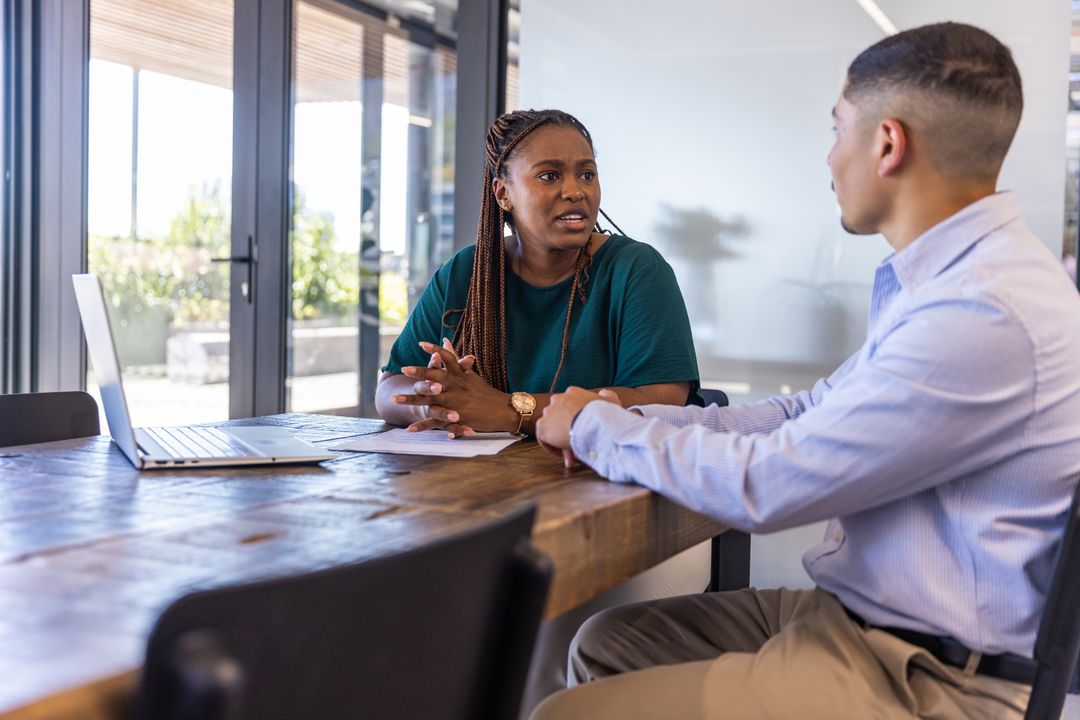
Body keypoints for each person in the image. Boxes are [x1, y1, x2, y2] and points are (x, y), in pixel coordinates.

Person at [533, 22, 1080, 720]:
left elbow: (771, 484)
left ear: (887, 143)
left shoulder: (982, 311)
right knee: (612, 641)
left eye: (836, 128)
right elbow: (804, 412)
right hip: (864, 623)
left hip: (930, 678)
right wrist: (628, 413)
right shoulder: (956, 281)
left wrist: (596, 426)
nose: (828, 158)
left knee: (561, 715)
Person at [376, 109, 701, 437]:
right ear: (503, 193)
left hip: (599, 478)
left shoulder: (636, 270)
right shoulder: (467, 271)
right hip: (481, 476)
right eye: (550, 176)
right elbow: (389, 389)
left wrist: (509, 410)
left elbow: (663, 400)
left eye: (587, 174)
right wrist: (440, 402)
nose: (576, 191)